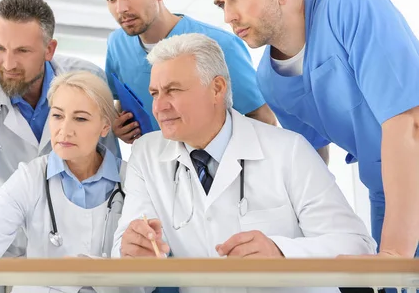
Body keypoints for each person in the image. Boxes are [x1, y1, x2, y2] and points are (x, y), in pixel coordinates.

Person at [202, 0, 419, 259]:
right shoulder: (269, 80)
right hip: (385, 192)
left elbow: (408, 122)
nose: (229, 16)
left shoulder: (350, 4)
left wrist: (393, 255)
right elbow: (308, 163)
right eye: (222, 4)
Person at [113, 33, 376, 293]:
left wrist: (281, 253)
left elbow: (357, 245)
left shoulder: (288, 149)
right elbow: (130, 262)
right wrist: (134, 253)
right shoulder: (145, 154)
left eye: (172, 90)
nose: (158, 107)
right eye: (154, 93)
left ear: (217, 88)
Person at [0, 0, 120, 257]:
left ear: (49, 49)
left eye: (22, 51)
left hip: (67, 233)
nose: (7, 64)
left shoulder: (87, 80)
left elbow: (108, 171)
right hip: (1, 226)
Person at [0, 71, 139, 293]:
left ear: (105, 126)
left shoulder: (133, 181)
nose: (64, 131)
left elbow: (147, 277)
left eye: (80, 118)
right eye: (57, 116)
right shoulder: (30, 178)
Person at [94, 0, 275, 145]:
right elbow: (124, 103)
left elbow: (263, 121)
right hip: (155, 168)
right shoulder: (117, 44)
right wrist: (120, 126)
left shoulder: (222, 45)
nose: (121, 8)